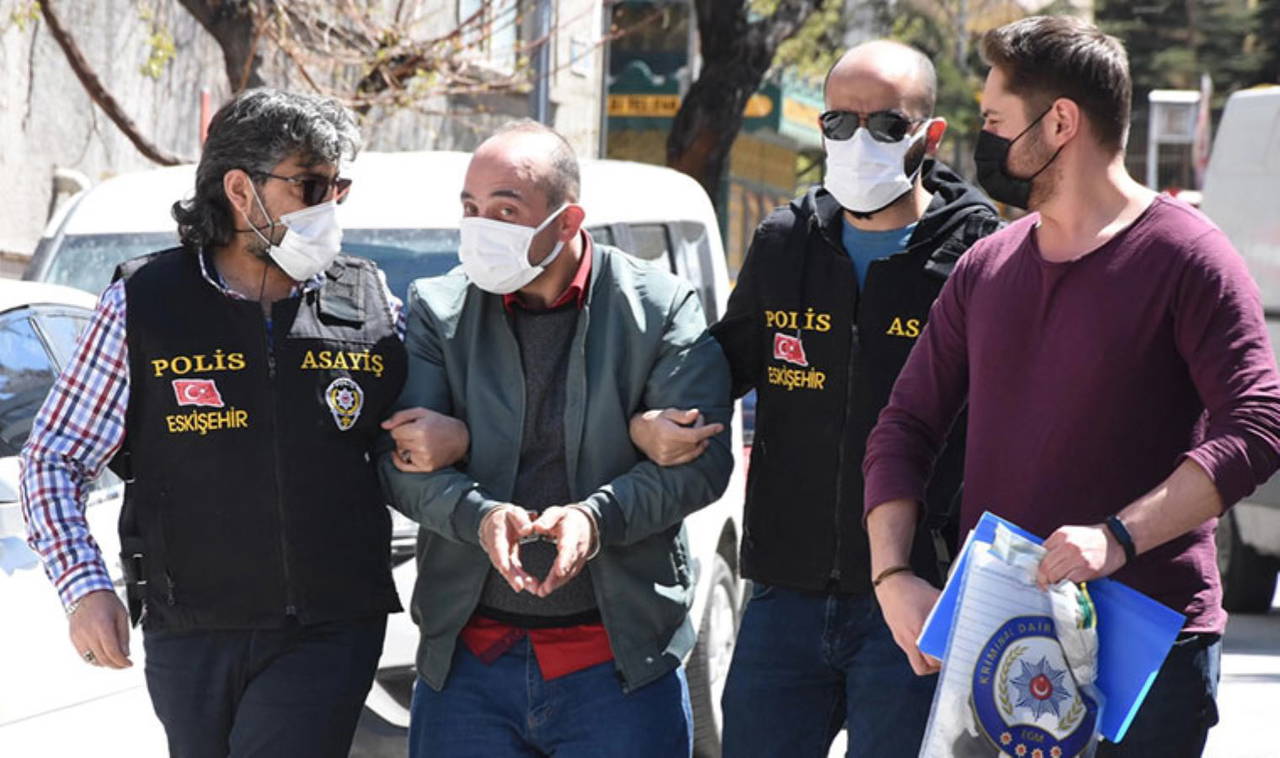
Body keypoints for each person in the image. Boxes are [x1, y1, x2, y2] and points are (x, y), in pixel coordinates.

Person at [864, 16, 1280, 757]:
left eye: (995, 121)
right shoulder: (985, 267)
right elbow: (904, 426)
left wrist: (1118, 537)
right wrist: (892, 574)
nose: (983, 141)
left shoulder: (1190, 258)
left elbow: (1257, 424)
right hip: (1000, 640)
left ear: (1060, 122)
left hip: (1148, 649)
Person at [18, 88, 444, 757]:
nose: (330, 208)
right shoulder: (143, 303)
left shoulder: (368, 300)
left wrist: (448, 433)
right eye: (311, 187)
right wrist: (84, 588)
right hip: (189, 629)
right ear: (241, 190)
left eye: (339, 188)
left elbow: (433, 419)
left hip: (330, 627)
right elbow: (53, 459)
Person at [630, 40, 1003, 757]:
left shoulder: (979, 257)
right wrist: (652, 415)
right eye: (839, 122)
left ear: (929, 136)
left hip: (916, 597)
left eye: (886, 125)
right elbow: (722, 363)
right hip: (784, 594)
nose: (859, 141)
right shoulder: (785, 242)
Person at [377, 120, 733, 758]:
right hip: (469, 665)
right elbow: (401, 463)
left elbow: (702, 466)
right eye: (469, 208)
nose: (480, 227)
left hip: (617, 664)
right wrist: (478, 515)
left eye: (504, 211)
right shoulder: (438, 308)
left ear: (567, 222)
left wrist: (596, 519)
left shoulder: (660, 306)